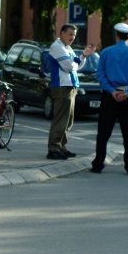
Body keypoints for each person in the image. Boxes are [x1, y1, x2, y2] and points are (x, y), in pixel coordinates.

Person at [91, 22, 128, 175]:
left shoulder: (106, 52)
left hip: (109, 97)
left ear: (116, 35)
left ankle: (98, 165)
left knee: (103, 133)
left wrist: (111, 90)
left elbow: (100, 74)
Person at [45, 23, 95, 160]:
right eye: (70, 34)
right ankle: (53, 148)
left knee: (68, 121)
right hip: (62, 87)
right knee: (61, 119)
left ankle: (61, 146)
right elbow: (69, 67)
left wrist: (83, 55)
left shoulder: (67, 48)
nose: (72, 37)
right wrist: (76, 61)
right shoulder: (57, 47)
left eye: (74, 35)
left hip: (70, 86)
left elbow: (77, 66)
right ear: (62, 33)